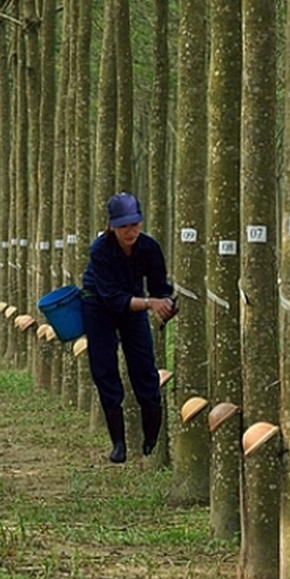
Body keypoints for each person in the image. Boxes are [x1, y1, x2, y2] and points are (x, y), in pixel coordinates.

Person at [81, 192, 176, 464]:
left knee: (144, 364)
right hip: (99, 305)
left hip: (134, 304)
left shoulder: (149, 248)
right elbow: (112, 298)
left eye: (134, 223)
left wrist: (167, 305)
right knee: (104, 368)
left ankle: (150, 437)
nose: (130, 230)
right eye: (123, 225)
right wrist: (150, 303)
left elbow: (160, 288)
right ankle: (118, 443)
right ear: (111, 225)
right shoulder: (100, 249)